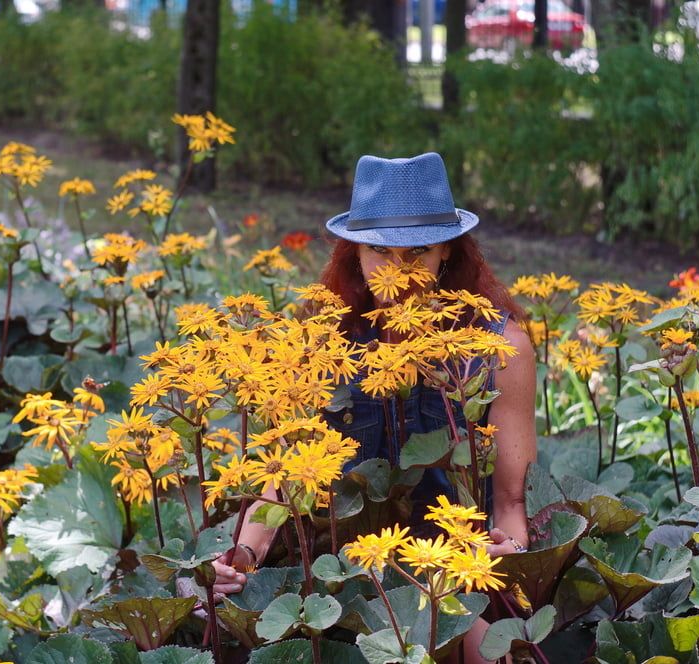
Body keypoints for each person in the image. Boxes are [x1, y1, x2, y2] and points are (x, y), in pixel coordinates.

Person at [211, 153, 538, 662]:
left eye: (420, 253)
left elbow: (510, 502)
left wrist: (509, 552)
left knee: (478, 647)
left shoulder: (499, 347)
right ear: (355, 255)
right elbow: (283, 479)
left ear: (448, 251)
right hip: (350, 560)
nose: (401, 274)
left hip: (451, 561)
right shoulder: (322, 342)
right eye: (382, 254)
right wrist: (244, 556)